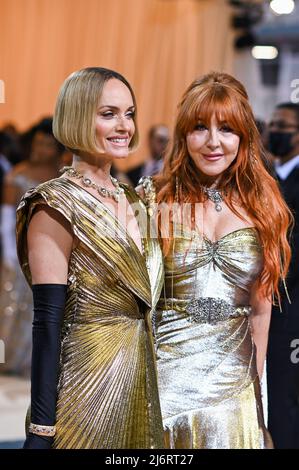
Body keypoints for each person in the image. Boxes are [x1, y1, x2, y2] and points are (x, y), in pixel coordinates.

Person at [138, 71, 293, 449]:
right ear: (183, 135)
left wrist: (257, 402)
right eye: (199, 128)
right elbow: (136, 303)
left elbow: (260, 312)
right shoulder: (154, 200)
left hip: (234, 388)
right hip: (164, 380)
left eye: (226, 129)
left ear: (243, 137)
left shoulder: (265, 206)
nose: (213, 142)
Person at [16, 67, 164, 449]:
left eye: (129, 113)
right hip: (84, 395)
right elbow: (47, 323)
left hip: (143, 389)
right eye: (108, 114)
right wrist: (42, 429)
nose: (124, 126)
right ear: (78, 117)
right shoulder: (54, 204)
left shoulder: (136, 201)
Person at [0, 119, 64, 376]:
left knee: (40, 307)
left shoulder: (61, 179)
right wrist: (8, 253)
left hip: (50, 253)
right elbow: (5, 220)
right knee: (10, 303)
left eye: (48, 145)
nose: (41, 150)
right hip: (17, 250)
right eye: (38, 143)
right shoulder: (17, 175)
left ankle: (31, 362)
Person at [267, 102, 299, 449]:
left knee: (285, 397)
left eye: (283, 126)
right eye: (273, 124)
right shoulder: (266, 177)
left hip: (292, 308)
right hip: (265, 304)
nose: (275, 131)